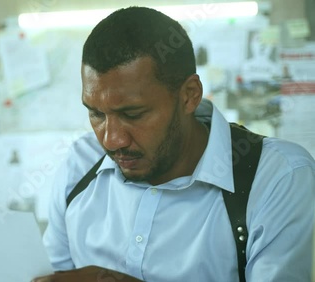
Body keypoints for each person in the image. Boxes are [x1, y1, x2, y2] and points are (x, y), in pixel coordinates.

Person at [33, 6, 315, 282]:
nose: (111, 139)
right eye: (96, 114)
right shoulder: (81, 164)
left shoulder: (278, 176)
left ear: (189, 95)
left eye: (133, 114)